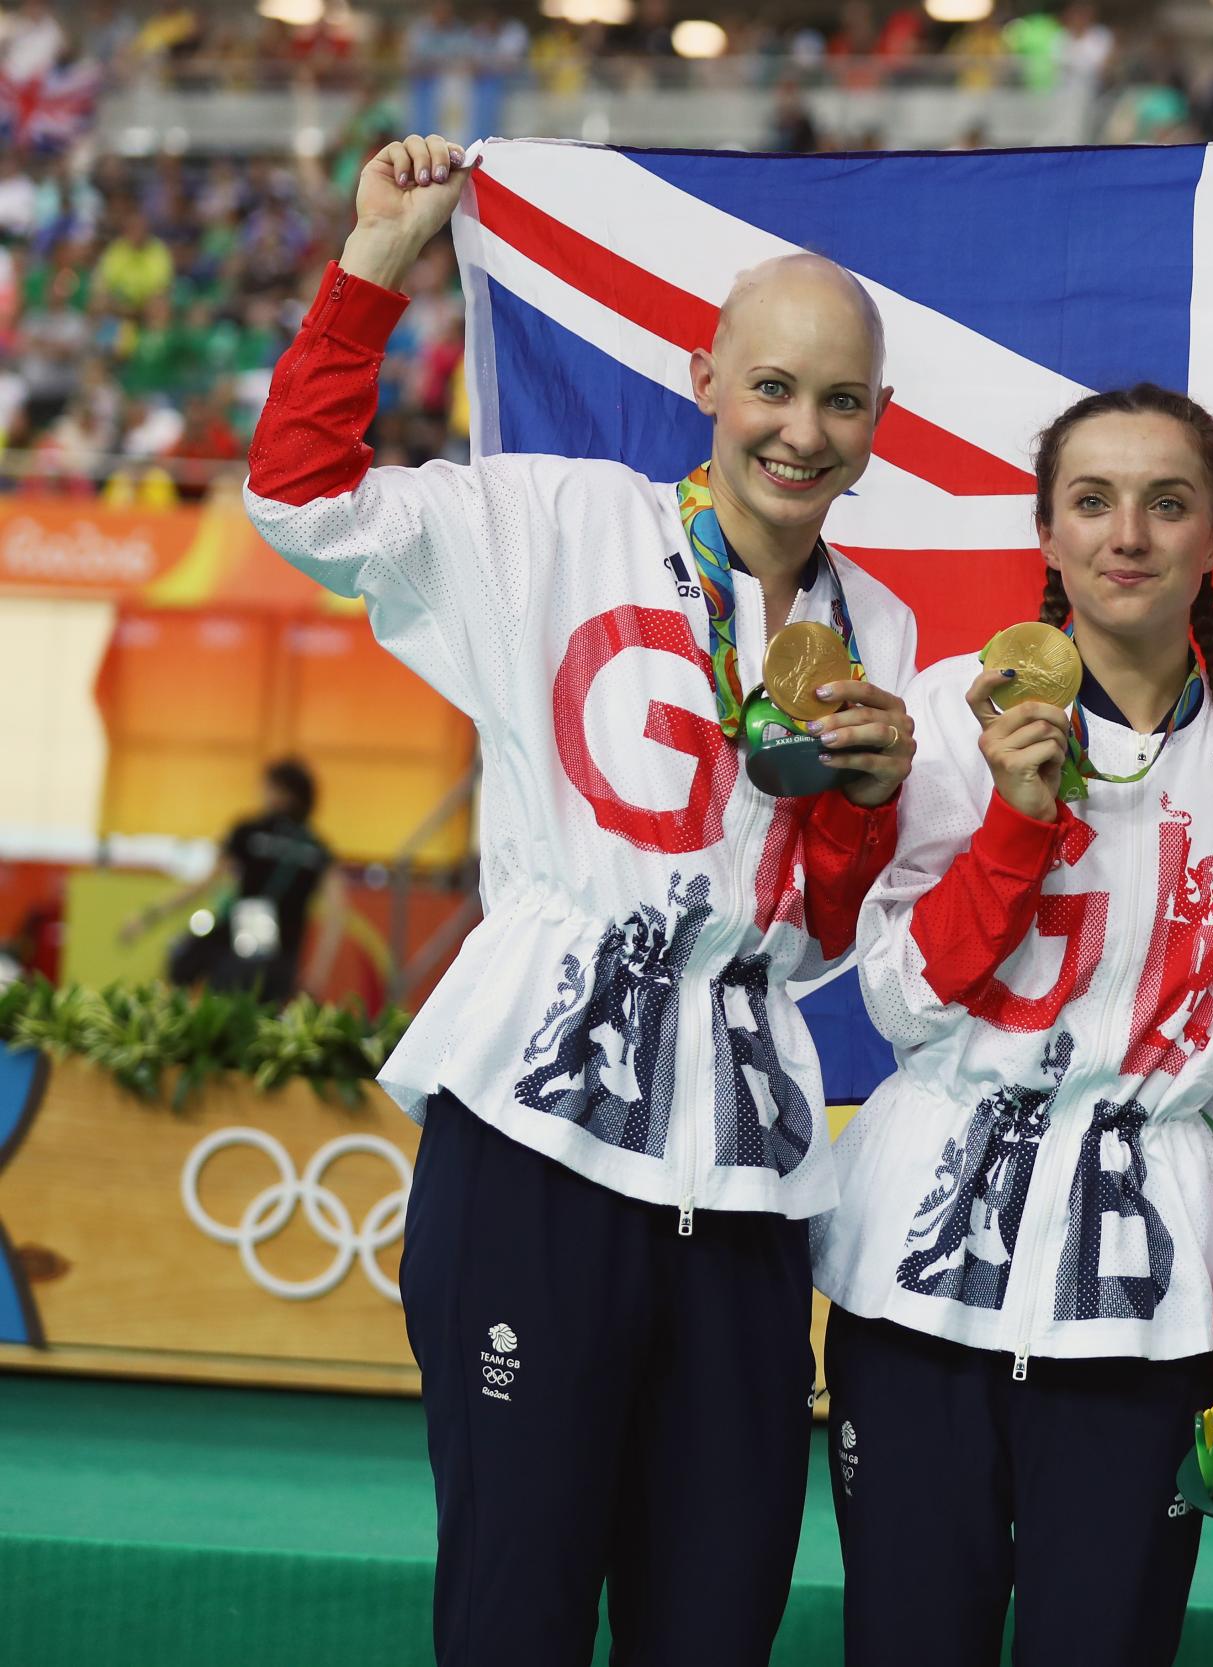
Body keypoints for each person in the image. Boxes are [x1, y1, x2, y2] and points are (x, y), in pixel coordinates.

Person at [242, 133, 920, 1665]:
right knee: (517, 1607)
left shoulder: (878, 619)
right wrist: (372, 266)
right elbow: (302, 498)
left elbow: (812, 932)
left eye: (840, 401)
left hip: (742, 1180)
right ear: (704, 377)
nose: (801, 431)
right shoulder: (550, 520)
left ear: (879, 427)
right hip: (540, 1136)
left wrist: (866, 810)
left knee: (715, 1616)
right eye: (774, 386)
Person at [809, 384, 1213, 1667]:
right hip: (920, 1283)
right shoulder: (939, 716)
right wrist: (1014, 823)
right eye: (1092, 501)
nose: (1128, 534)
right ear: (1045, 531)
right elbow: (899, 1002)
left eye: (1169, 502)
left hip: (1139, 1303)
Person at [119, 757, 347, 1003]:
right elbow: (337, 913)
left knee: (185, 967)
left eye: (268, 788)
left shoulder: (250, 831)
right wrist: (317, 973)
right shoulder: (318, 849)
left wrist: (148, 917)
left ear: (285, 792)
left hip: (238, 948)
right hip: (281, 958)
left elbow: (205, 884)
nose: (263, 794)